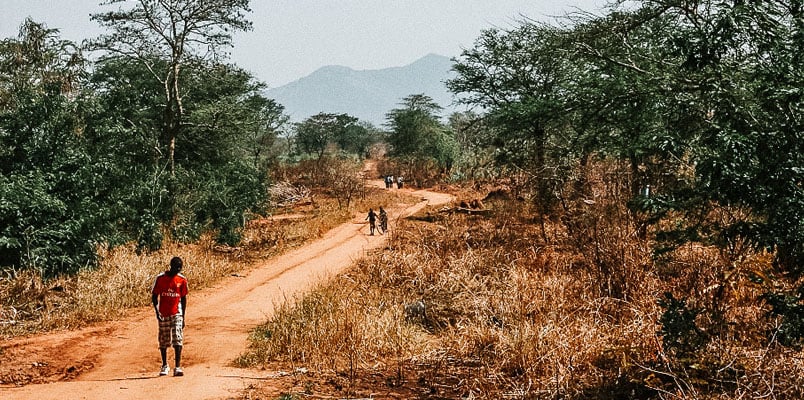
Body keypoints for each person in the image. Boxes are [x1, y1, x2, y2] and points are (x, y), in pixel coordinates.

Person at [152, 256, 189, 377]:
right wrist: (157, 312)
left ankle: (177, 366)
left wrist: (183, 316)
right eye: (175, 268)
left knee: (177, 337)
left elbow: (183, 299)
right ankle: (164, 365)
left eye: (179, 268)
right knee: (164, 339)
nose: (177, 270)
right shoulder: (160, 278)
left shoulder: (182, 280)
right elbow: (154, 296)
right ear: (171, 266)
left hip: (176, 312)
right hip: (163, 312)